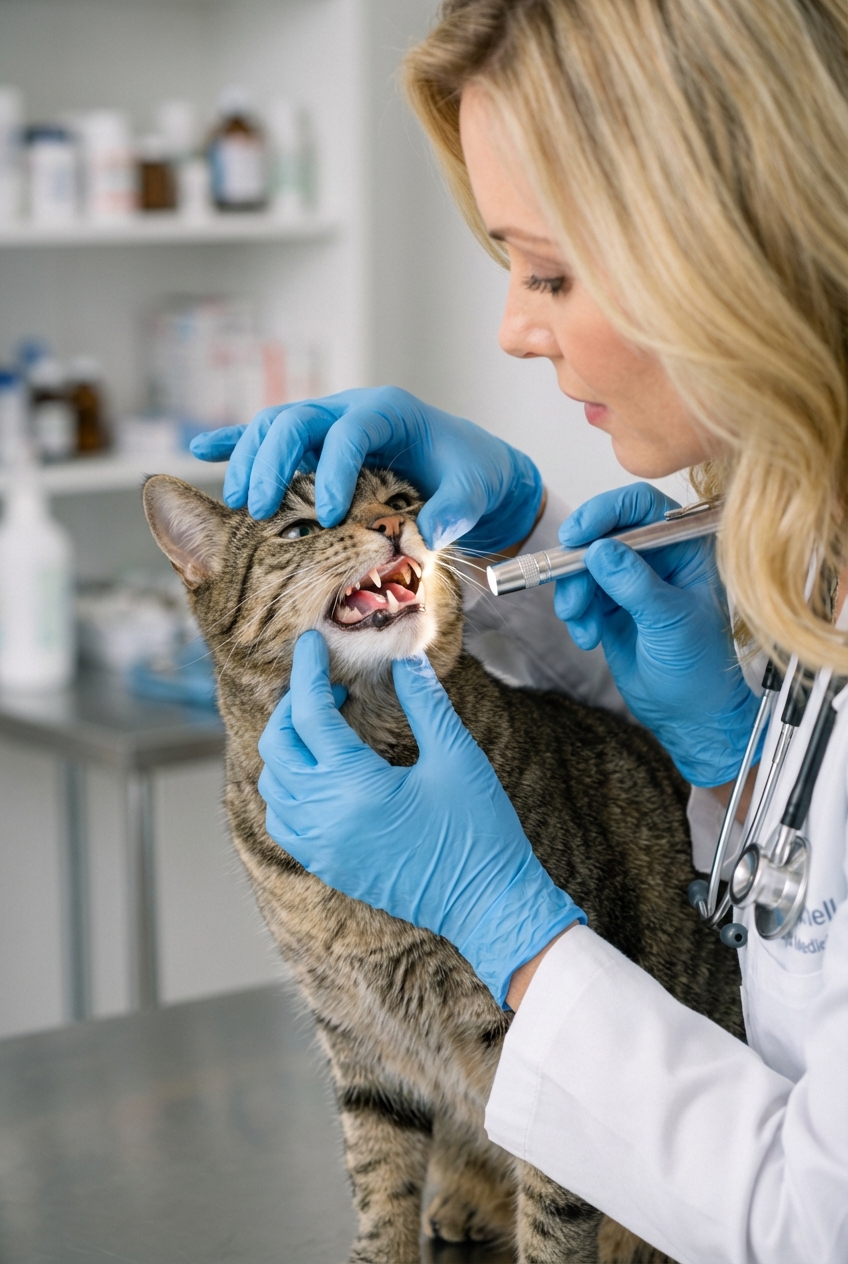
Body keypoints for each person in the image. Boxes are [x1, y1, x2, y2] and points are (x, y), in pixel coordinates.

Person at [191, 1, 848, 1259]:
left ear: (733, 248)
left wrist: (514, 933)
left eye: (547, 271)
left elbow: (812, 1215)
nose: (510, 329)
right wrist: (732, 761)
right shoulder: (804, 522)